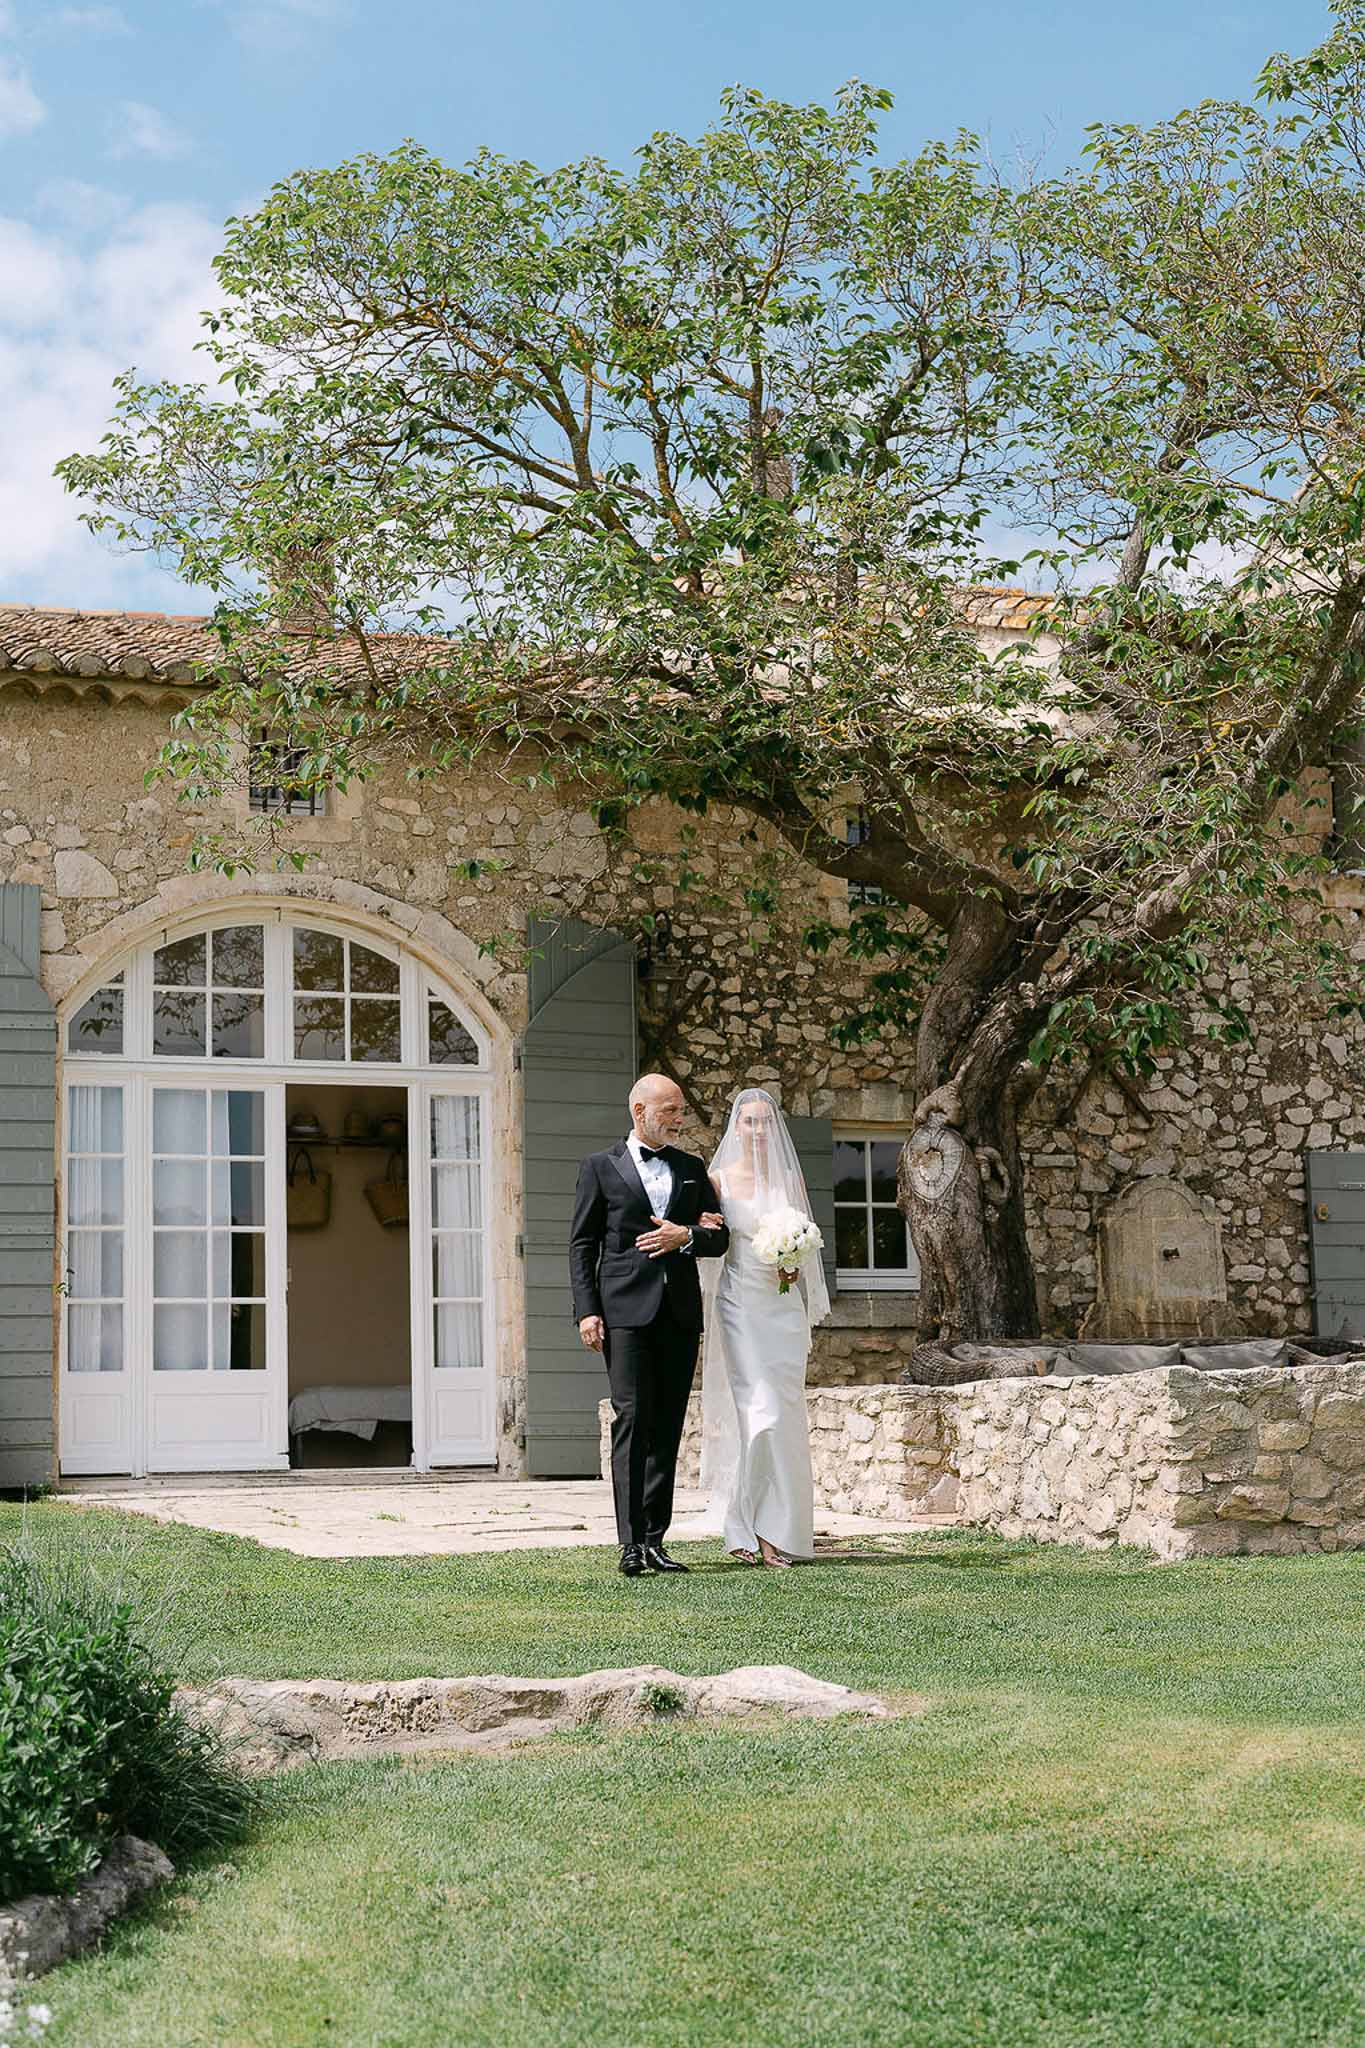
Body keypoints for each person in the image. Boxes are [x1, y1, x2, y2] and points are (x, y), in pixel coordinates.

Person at [570, 1074, 730, 1577]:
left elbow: (718, 1239)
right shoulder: (599, 1167)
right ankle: (630, 1544)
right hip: (623, 1312)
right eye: (671, 1111)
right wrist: (587, 1310)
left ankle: (657, 1540)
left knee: (667, 1427)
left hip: (679, 1313)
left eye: (681, 1111)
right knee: (632, 1421)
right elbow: (582, 1245)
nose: (680, 1120)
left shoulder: (690, 1168)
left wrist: (685, 1237)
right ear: (640, 1112)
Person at [699, 1088, 830, 1566]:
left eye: (765, 1122)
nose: (758, 1130)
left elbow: (805, 1245)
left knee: (786, 1416)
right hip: (739, 1305)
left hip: (781, 1309)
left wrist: (793, 1264)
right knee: (759, 1414)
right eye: (750, 1122)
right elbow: (711, 1242)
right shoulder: (718, 1181)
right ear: (737, 1128)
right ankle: (747, 1526)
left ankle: (782, 1528)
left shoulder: (788, 1178)